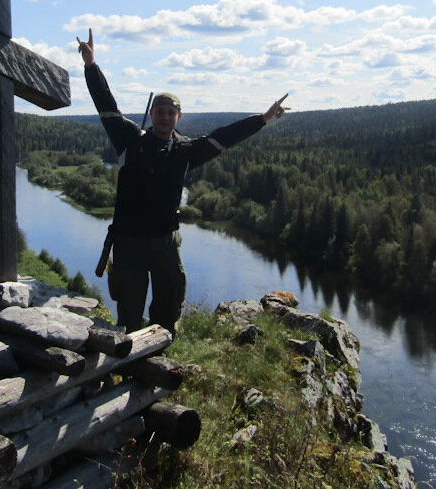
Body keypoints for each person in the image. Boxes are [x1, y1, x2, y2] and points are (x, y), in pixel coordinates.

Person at [76, 28, 289, 334]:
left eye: (170, 112)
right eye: (159, 112)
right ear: (151, 114)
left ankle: (159, 364)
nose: (164, 117)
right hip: (129, 243)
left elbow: (225, 136)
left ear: (179, 116)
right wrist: (90, 64)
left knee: (167, 308)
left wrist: (263, 118)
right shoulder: (129, 141)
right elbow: (105, 106)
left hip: (165, 243)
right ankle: (125, 367)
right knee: (129, 312)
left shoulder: (187, 150)